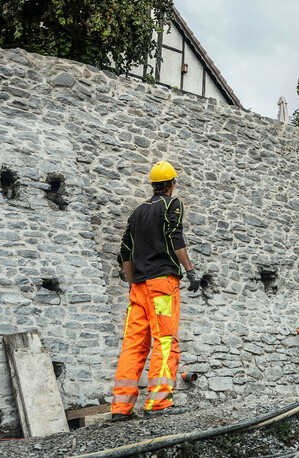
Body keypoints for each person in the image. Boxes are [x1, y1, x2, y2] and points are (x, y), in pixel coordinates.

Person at [111, 161, 201, 421]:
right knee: (164, 340)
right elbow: (175, 236)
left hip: (138, 288)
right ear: (172, 184)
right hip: (162, 285)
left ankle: (121, 408)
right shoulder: (172, 204)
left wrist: (132, 284)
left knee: (133, 344)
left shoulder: (136, 212)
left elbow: (125, 251)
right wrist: (191, 271)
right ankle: (158, 403)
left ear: (153, 185)